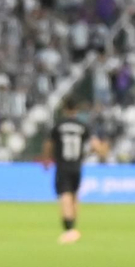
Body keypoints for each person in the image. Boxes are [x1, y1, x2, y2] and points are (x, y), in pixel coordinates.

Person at [42, 102, 104, 244]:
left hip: (62, 166)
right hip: (77, 166)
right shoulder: (83, 126)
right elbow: (96, 145)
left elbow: (48, 144)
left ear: (64, 110)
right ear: (76, 110)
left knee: (65, 195)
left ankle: (69, 229)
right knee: (75, 196)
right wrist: (90, 153)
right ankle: (74, 227)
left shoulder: (58, 126)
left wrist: (46, 159)